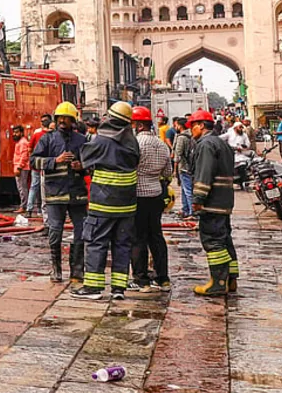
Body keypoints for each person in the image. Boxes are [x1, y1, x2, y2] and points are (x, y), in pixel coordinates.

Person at [71, 102, 140, 301]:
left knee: (96, 242)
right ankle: (118, 288)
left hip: (103, 202)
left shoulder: (101, 141)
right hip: (127, 205)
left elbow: (84, 159)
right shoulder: (132, 142)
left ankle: (93, 288)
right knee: (122, 244)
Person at [32, 102, 89, 283]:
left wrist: (81, 166)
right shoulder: (47, 139)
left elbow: (92, 164)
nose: (63, 121)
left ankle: (77, 271)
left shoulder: (82, 140)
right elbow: (33, 161)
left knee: (81, 232)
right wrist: (54, 160)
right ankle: (56, 269)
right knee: (55, 231)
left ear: (73, 120)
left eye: (66, 118)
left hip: (77, 195)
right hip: (55, 194)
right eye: (60, 118)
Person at [186, 109, 238, 296]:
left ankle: (217, 283)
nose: (191, 130)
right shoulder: (221, 143)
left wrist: (198, 199)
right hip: (225, 200)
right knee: (225, 240)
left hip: (212, 201)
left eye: (192, 126)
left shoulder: (206, 144)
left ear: (200, 126)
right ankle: (231, 279)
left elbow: (204, 174)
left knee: (213, 241)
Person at [129, 106, 172, 292]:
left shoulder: (135, 144)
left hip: (138, 195)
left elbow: (130, 167)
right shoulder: (162, 145)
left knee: (138, 238)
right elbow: (168, 173)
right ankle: (162, 278)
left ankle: (141, 280)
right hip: (156, 194)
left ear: (138, 125)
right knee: (156, 236)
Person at [172, 117, 195, 218]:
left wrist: (174, 169)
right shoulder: (190, 136)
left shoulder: (181, 138)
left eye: (176, 125)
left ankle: (191, 212)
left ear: (180, 126)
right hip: (190, 167)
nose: (175, 127)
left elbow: (177, 155)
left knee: (187, 190)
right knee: (185, 190)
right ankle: (186, 209)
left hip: (184, 167)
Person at [11, 126, 33, 214]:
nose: (14, 134)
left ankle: (24, 206)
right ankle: (24, 205)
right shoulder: (20, 142)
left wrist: (19, 167)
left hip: (22, 168)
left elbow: (24, 156)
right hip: (21, 167)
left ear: (21, 133)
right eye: (14, 132)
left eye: (16, 132)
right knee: (22, 187)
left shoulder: (23, 142)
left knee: (22, 187)